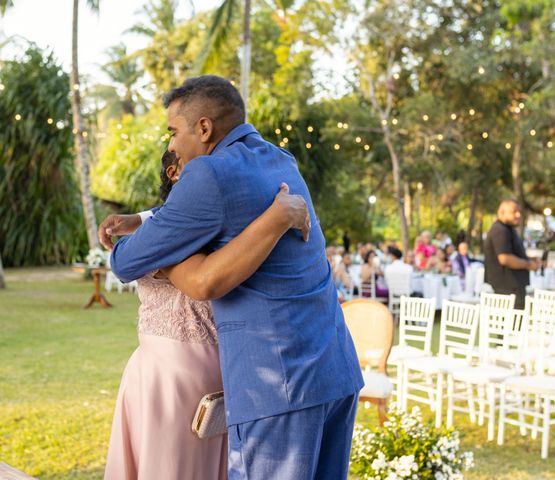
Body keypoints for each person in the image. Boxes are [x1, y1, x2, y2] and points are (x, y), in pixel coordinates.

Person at [100, 76, 364, 480]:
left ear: (203, 128)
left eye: (174, 131)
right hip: (335, 370)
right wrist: (145, 220)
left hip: (281, 384)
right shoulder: (281, 161)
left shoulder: (208, 172)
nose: (171, 144)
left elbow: (125, 260)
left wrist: (158, 243)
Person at [104, 151, 310, 480]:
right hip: (190, 375)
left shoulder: (199, 226)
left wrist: (143, 219)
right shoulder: (175, 231)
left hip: (199, 377)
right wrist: (143, 218)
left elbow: (139, 249)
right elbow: (165, 227)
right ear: (175, 173)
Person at [484, 200, 540, 309]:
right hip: (507, 289)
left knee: (517, 324)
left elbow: (511, 253)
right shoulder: (500, 229)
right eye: (514, 212)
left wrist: (531, 259)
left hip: (513, 287)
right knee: (512, 324)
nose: (518, 215)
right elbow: (505, 258)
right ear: (502, 213)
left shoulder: (508, 229)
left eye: (519, 211)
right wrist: (528, 264)